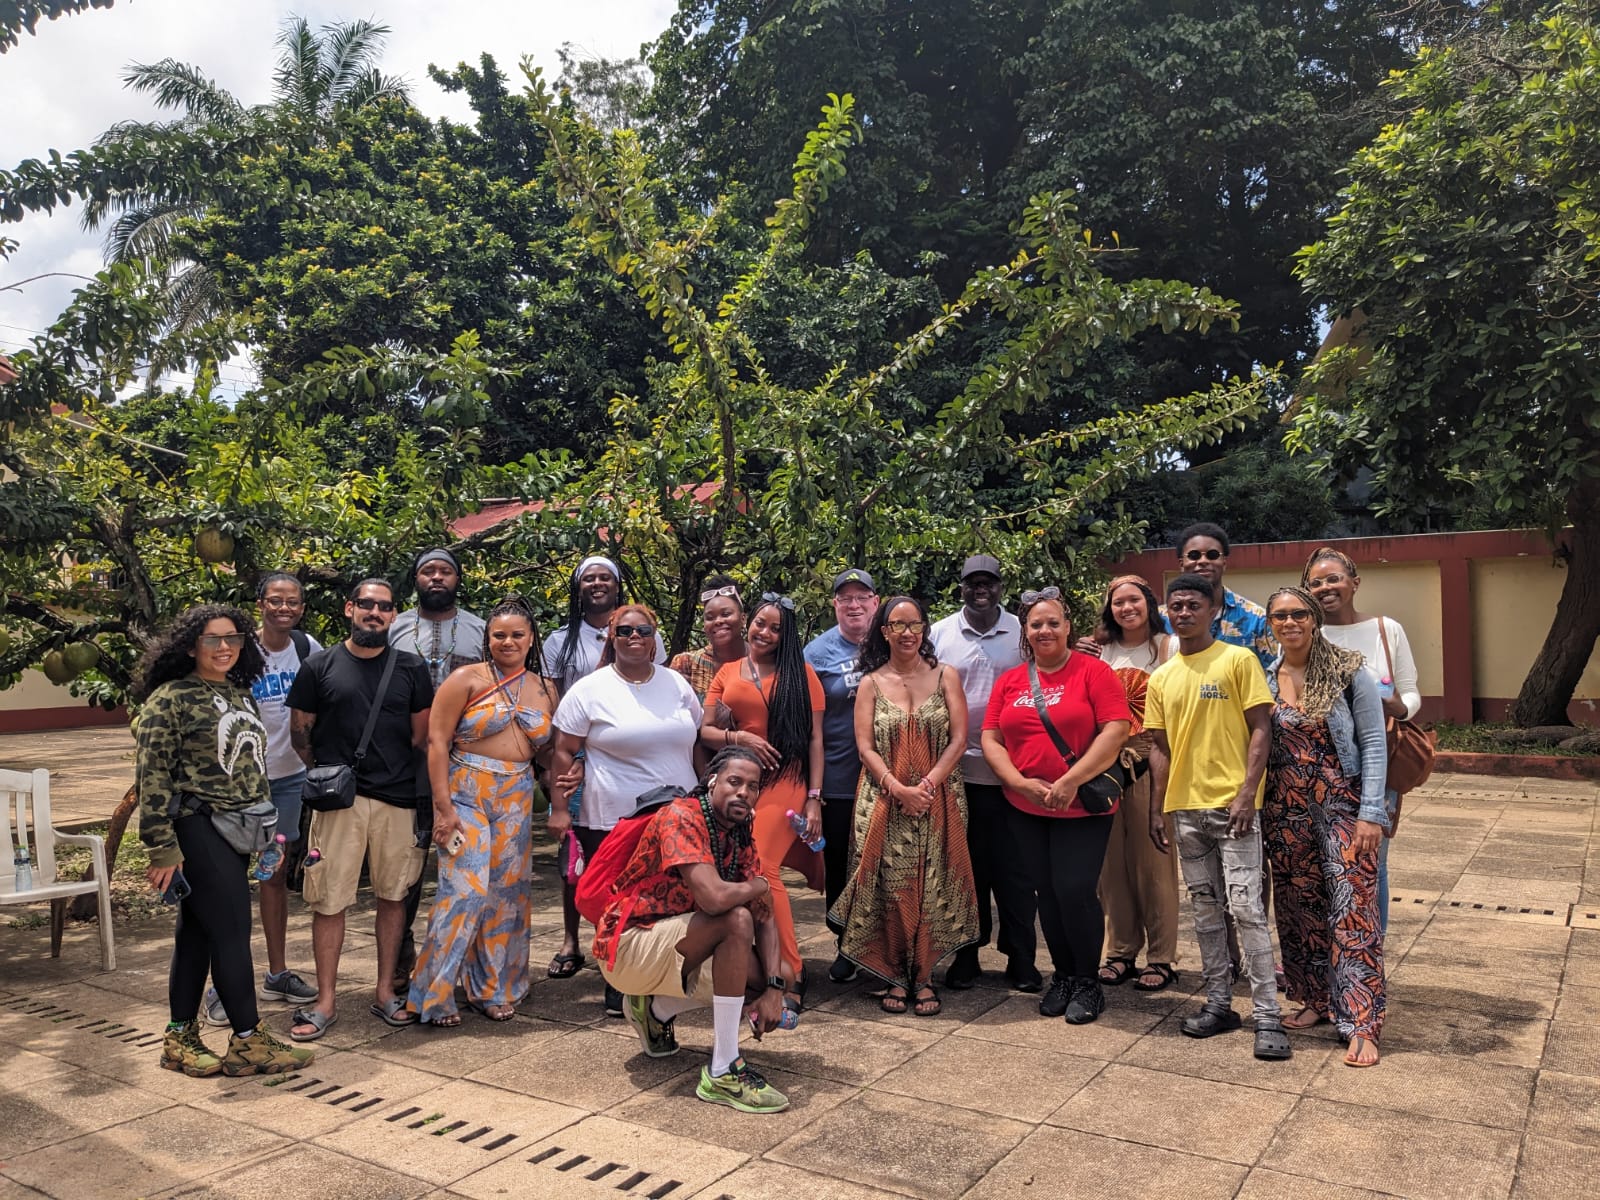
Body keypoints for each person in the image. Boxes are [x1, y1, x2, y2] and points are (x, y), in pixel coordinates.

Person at [136, 604, 314, 1077]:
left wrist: (268, 833)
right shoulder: (170, 698)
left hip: (238, 829)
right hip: (196, 827)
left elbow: (252, 767)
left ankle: (179, 1038)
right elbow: (152, 776)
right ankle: (249, 1040)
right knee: (233, 932)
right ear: (190, 645)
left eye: (232, 638)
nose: (223, 648)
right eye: (212, 639)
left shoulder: (239, 693)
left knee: (196, 935)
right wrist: (160, 847)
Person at [595, 746, 791, 1113]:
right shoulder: (681, 816)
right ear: (713, 781)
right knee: (736, 920)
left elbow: (766, 916)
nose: (743, 792)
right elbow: (717, 899)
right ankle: (722, 1070)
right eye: (735, 781)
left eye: (752, 786)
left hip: (677, 941)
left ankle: (656, 1010)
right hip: (628, 944)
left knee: (776, 972)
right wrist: (760, 885)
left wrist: (775, 990)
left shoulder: (738, 834)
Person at [1144, 574, 1291, 1060]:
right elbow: (1159, 748)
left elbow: (1260, 729)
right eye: (1176, 606)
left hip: (1233, 811)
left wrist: (1248, 793)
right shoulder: (1162, 677)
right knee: (1206, 911)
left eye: (1193, 605)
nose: (1183, 613)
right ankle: (1219, 1003)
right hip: (1185, 812)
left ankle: (1268, 1016)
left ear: (1213, 611)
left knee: (1247, 908)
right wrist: (1158, 807)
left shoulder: (1238, 659)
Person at [285, 579, 435, 1040]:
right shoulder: (318, 665)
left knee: (394, 898)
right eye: (366, 604)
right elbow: (299, 735)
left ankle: (385, 992)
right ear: (350, 608)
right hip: (339, 804)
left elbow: (420, 737)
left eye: (384, 607)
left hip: (398, 800)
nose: (374, 613)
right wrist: (333, 775)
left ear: (394, 616)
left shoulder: (411, 668)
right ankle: (326, 1001)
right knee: (329, 901)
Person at [980, 587, 1132, 1025]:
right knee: (1044, 892)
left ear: (1068, 628)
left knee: (1074, 890)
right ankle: (1062, 975)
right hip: (1025, 806)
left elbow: (1115, 729)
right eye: (1036, 624)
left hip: (1081, 806)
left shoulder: (1093, 672)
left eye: (1053, 623)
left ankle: (1087, 980)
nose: (1044, 630)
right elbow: (991, 736)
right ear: (1025, 633)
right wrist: (1017, 782)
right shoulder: (1011, 679)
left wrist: (1069, 780)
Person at [408, 598, 559, 1025]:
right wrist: (443, 809)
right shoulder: (465, 679)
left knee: (505, 896)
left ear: (531, 639)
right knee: (466, 891)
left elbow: (548, 750)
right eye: (499, 635)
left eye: (517, 634)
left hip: (517, 792)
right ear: (487, 639)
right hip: (466, 792)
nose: (508, 642)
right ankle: (431, 993)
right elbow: (437, 743)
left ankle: (493, 988)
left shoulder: (545, 688)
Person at [548, 603, 703, 1015]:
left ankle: (665, 977)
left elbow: (697, 742)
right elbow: (564, 750)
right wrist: (559, 809)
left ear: (655, 638)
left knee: (672, 899)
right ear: (611, 638)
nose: (635, 637)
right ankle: (619, 982)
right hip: (614, 816)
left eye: (643, 630)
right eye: (625, 631)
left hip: (676, 817)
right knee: (619, 903)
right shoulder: (590, 689)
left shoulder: (676, 684)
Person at [829, 596, 978, 1016]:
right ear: (885, 632)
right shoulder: (871, 683)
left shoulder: (946, 675)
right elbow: (865, 747)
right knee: (890, 886)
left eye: (915, 624)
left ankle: (926, 975)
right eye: (898, 625)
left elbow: (958, 739)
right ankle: (894, 974)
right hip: (884, 798)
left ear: (925, 629)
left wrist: (927, 783)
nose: (908, 632)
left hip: (939, 796)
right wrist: (898, 788)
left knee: (931, 884)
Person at [1263, 585, 1388, 1067]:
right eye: (1280, 616)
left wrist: (1370, 813)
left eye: (1298, 614)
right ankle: (1316, 1000)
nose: (1289, 623)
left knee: (1353, 910)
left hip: (1341, 805)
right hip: (1284, 808)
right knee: (1299, 908)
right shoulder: (1265, 675)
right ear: (1271, 624)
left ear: (1314, 619)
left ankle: (1361, 1022)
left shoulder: (1348, 670)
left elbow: (1374, 744)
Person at [199, 573, 320, 1029]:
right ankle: (220, 986)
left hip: (287, 782)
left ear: (302, 607)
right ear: (260, 603)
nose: (284, 608)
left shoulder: (308, 648)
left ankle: (276, 973)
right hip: (236, 786)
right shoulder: (238, 649)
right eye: (275, 601)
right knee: (226, 883)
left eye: (293, 601)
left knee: (272, 876)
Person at [543, 554, 666, 985]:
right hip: (578, 755)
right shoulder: (561, 640)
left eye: (605, 578)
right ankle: (572, 941)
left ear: (617, 585)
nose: (597, 584)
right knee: (577, 861)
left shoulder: (644, 631)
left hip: (625, 755)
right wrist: (571, 760)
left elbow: (651, 687)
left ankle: (635, 946)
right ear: (579, 588)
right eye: (589, 578)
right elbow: (556, 701)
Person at [701, 593, 825, 1013]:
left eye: (775, 628)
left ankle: (790, 971)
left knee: (765, 868)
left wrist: (813, 799)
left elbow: (815, 740)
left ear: (785, 635)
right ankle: (757, 960)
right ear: (748, 623)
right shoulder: (728, 672)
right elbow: (706, 732)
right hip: (743, 780)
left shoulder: (802, 674)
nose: (765, 633)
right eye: (759, 623)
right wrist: (742, 738)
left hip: (787, 779)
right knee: (743, 867)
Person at [930, 554, 1038, 992]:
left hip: (1015, 775)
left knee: (1016, 874)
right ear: (960, 587)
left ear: (1000, 586)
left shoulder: (1021, 630)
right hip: (960, 776)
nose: (981, 589)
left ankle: (1022, 957)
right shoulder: (939, 634)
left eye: (988, 582)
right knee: (965, 870)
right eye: (972, 582)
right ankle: (967, 954)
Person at [1304, 547, 1421, 933]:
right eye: (1316, 582)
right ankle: (1324, 953)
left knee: (1372, 863)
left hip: (1378, 764)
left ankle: (1371, 952)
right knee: (1318, 864)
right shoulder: (1304, 632)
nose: (1326, 588)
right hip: (1319, 769)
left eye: (1334, 578)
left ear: (1355, 583)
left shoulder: (1387, 630)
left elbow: (1411, 693)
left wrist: (1397, 708)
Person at [386, 547, 487, 990]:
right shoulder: (395, 627)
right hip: (404, 761)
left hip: (465, 763)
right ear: (416, 578)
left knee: (464, 865)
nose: (437, 577)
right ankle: (398, 955)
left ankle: (462, 961)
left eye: (445, 570)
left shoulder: (481, 630)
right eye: (428, 570)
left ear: (457, 578)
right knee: (406, 865)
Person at [1088, 575, 1181, 993]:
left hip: (1150, 761)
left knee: (1155, 863)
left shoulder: (1167, 647)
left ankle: (1161, 957)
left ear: (1148, 603)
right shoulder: (1099, 651)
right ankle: (1120, 950)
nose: (1127, 608)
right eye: (1118, 602)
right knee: (1111, 867)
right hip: (1105, 766)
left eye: (1134, 600)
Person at [803, 567, 879, 983]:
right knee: (841, 865)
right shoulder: (816, 653)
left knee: (883, 863)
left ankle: (885, 946)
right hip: (838, 776)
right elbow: (806, 723)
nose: (853, 605)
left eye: (861, 597)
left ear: (875, 602)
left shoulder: (892, 643)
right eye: (845, 598)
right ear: (835, 604)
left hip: (887, 777)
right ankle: (846, 943)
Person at [1163, 523, 1276, 670]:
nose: (1203, 561)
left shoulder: (1256, 619)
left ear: (1224, 562)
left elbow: (1273, 675)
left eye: (1212, 555)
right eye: (1194, 555)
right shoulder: (1161, 620)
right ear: (1181, 563)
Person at [669, 575, 747, 702]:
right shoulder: (686, 664)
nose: (718, 621)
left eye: (726, 614)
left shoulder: (762, 661)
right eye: (710, 617)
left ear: (743, 619)